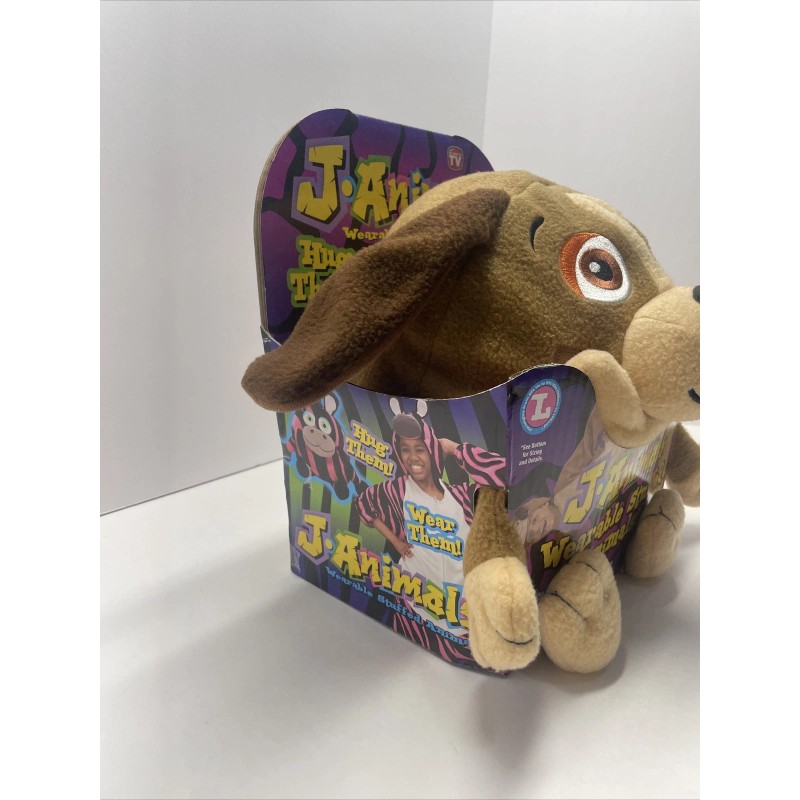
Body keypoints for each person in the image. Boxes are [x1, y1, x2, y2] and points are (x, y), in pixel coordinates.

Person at [356, 410, 505, 644]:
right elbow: (364, 504)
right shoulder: (397, 490)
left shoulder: (461, 495)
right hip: (412, 617)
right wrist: (396, 542)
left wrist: (453, 448)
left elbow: (502, 479)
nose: (412, 457)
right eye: (405, 449)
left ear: (432, 450)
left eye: (420, 449)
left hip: (461, 625)